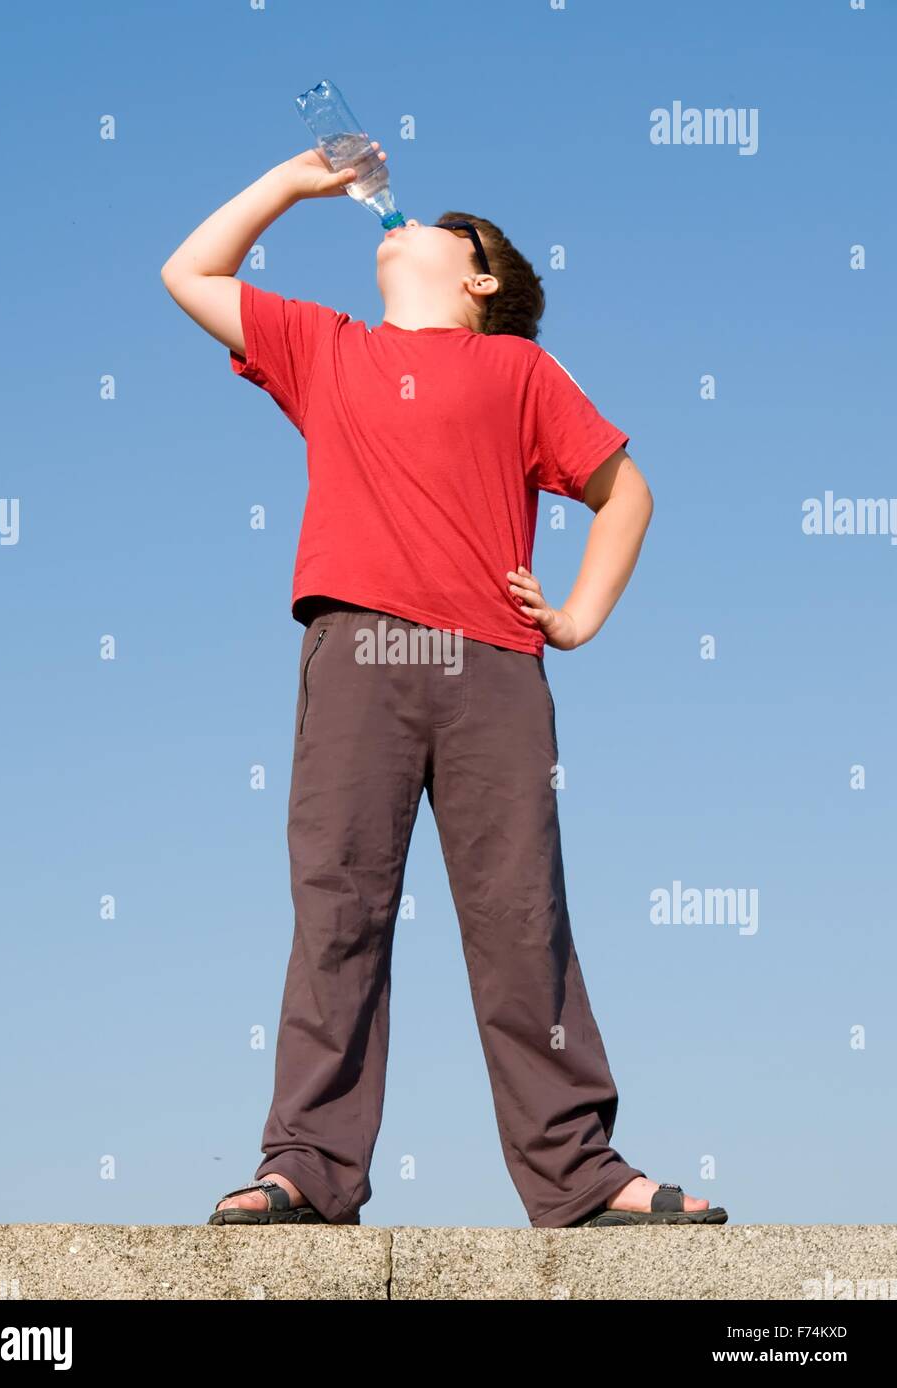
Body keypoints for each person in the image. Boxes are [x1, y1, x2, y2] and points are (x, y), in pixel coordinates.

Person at [161, 143, 728, 1230]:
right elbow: (190, 275)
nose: (405, 224)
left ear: (479, 282)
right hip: (357, 656)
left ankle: (579, 1175)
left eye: (445, 225)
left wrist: (574, 616)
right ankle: (308, 1169)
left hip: (492, 671)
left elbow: (627, 494)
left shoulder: (518, 370)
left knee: (521, 917)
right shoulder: (327, 347)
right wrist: (289, 184)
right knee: (338, 907)